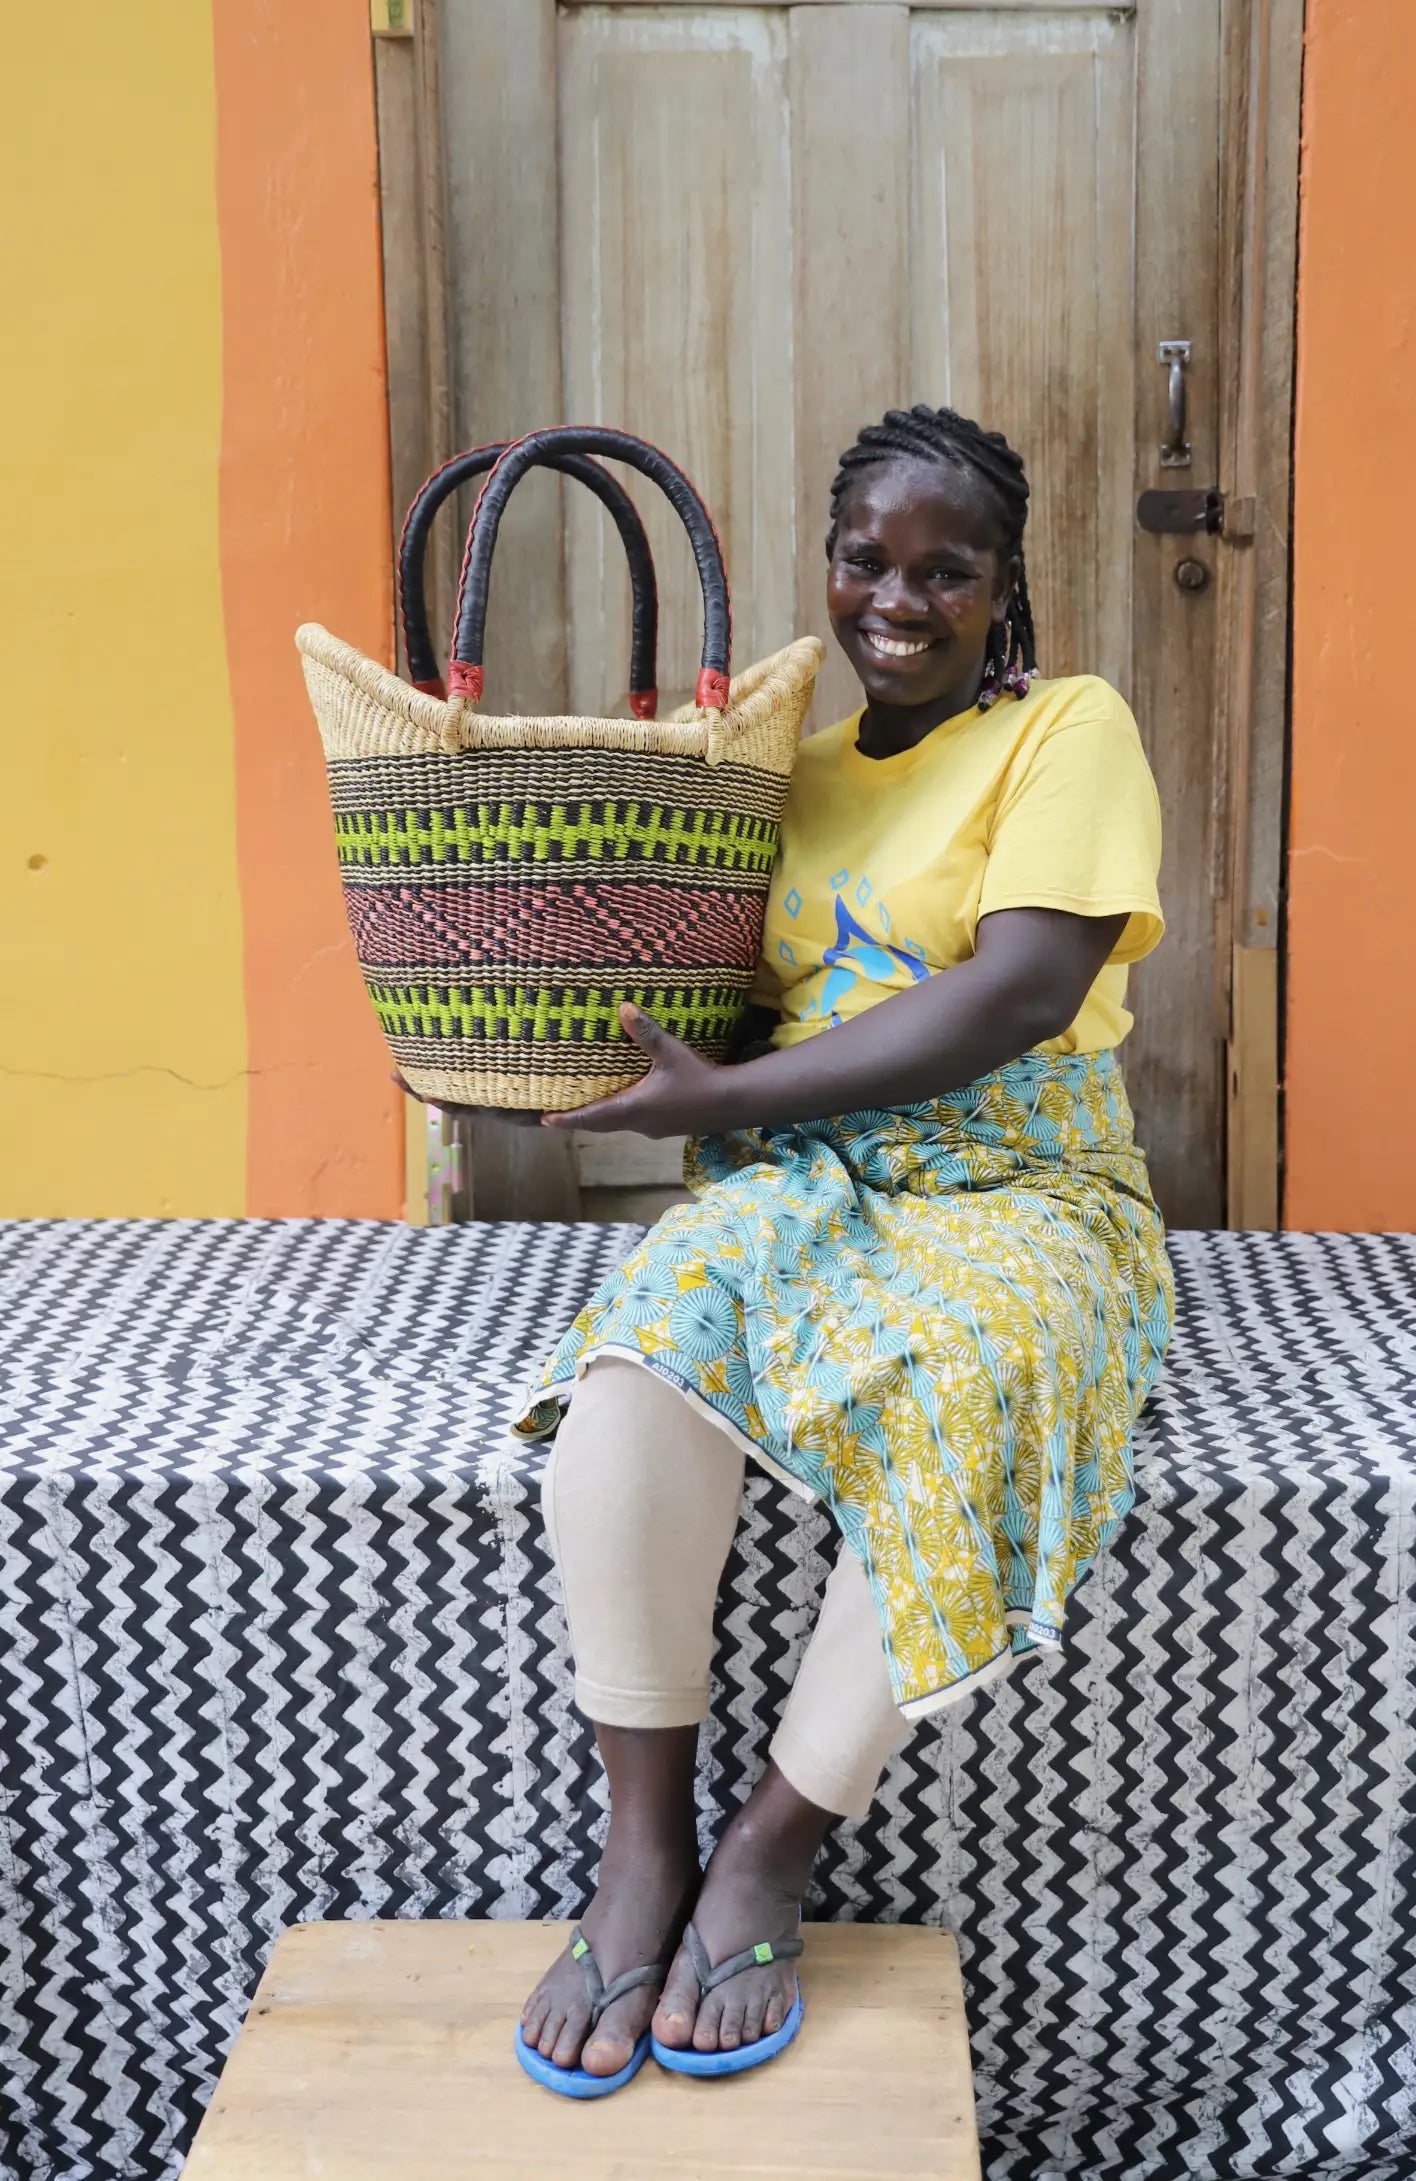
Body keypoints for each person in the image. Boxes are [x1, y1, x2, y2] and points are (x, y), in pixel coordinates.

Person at [444, 406, 1173, 2092]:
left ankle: (773, 1842)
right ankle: (644, 1849)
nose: (896, 598)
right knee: (642, 1346)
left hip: (1021, 1183)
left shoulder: (1069, 727)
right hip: (810, 1166)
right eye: (866, 559)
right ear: (827, 564)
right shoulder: (793, 772)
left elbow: (1021, 990)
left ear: (1005, 591)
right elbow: (699, 974)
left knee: (976, 1371)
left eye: (946, 569)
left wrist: (742, 1085)